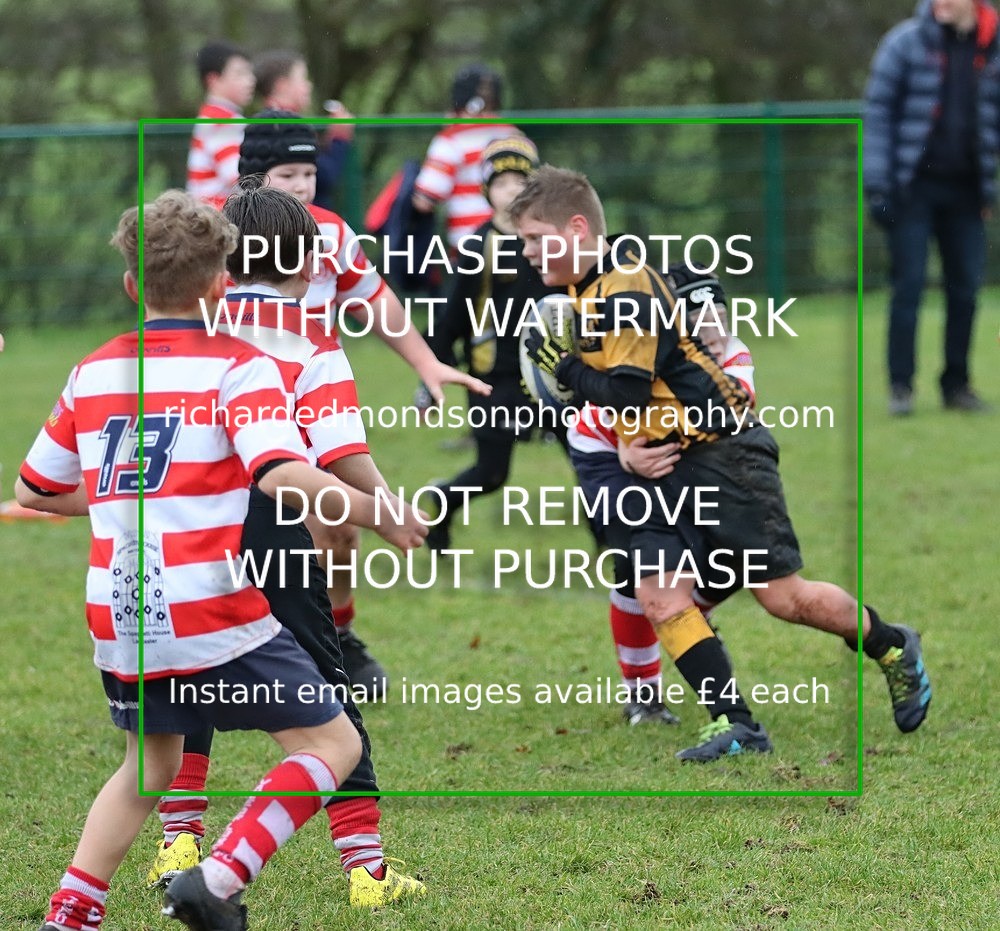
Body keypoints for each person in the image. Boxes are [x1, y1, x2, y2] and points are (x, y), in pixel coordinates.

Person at [18, 190, 425, 931]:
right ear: (218, 283)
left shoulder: (93, 370)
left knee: (148, 768)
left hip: (123, 608)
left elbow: (38, 489)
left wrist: (117, 492)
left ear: (132, 286)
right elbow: (282, 475)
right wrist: (381, 510)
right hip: (212, 601)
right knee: (331, 739)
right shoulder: (239, 367)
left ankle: (70, 914)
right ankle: (218, 873)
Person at [511, 166, 932, 761]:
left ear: (576, 227)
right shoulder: (590, 292)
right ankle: (737, 724)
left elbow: (626, 392)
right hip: (667, 465)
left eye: (533, 238)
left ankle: (892, 645)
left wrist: (565, 370)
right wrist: (620, 438)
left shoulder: (626, 286)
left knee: (786, 599)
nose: (525, 253)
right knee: (659, 595)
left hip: (726, 456)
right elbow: (631, 399)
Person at [145, 179, 427, 909]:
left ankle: (177, 843)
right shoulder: (311, 342)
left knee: (186, 684)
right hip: (274, 525)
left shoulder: (192, 328)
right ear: (309, 270)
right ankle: (366, 873)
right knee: (327, 695)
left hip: (185, 526)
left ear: (227, 264)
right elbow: (338, 452)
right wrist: (388, 506)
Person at [231, 112, 489, 698]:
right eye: (286, 174)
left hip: (314, 403)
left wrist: (426, 362)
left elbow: (372, 300)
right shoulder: (220, 243)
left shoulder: (331, 236)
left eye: (308, 173)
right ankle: (234, 652)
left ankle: (337, 635)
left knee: (339, 533)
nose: (300, 185)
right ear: (252, 179)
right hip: (237, 413)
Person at [566, 266, 754, 728]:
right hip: (606, 455)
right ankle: (643, 697)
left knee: (729, 565)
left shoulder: (731, 354)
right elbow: (613, 403)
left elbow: (735, 408)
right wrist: (628, 450)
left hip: (679, 460)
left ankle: (691, 629)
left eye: (720, 315)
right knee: (637, 575)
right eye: (697, 318)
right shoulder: (642, 349)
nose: (713, 329)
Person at [421, 135, 576, 550]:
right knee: (492, 474)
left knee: (587, 458)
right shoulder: (477, 246)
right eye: (502, 182)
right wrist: (430, 373)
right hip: (495, 381)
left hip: (552, 374)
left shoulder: (554, 240)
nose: (512, 191)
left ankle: (615, 549)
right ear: (487, 191)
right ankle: (440, 501)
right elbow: (450, 317)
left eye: (521, 181)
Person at [864, 0, 1000, 415]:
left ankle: (956, 385)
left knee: (965, 291)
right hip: (912, 189)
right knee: (908, 288)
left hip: (967, 190)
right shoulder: (904, 43)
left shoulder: (992, 47)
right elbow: (878, 114)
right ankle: (901, 387)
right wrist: (877, 185)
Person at [411, 64, 518, 248]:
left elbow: (425, 199)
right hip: (515, 239)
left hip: (470, 243)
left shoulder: (452, 139)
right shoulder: (514, 135)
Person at [253, 50, 355, 210]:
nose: (309, 85)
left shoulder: (271, 123)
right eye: (303, 78)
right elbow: (325, 178)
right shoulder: (279, 126)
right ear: (282, 85)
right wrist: (339, 139)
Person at [186, 41, 256, 200]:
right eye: (240, 74)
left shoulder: (213, 116)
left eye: (249, 73)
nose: (250, 81)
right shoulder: (220, 122)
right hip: (217, 213)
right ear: (213, 80)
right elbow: (241, 179)